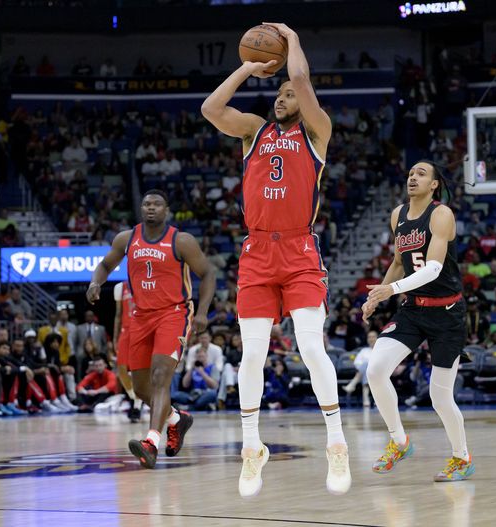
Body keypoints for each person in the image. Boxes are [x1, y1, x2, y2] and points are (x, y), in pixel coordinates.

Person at [201, 22, 349, 497]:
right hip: (258, 252)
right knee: (254, 353)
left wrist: (294, 43)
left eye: (290, 93)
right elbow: (210, 109)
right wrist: (247, 67)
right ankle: (251, 449)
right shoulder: (253, 131)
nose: (283, 97)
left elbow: (304, 83)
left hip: (301, 250)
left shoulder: (317, 133)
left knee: (309, 347)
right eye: (280, 93)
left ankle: (336, 442)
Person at [86, 188, 216, 469]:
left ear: (166, 210)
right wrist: (96, 282)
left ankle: (151, 442)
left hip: (173, 314)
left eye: (157, 204)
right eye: (146, 204)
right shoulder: (127, 238)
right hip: (141, 317)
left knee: (160, 377)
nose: (151, 208)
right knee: (142, 390)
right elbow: (105, 265)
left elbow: (208, 274)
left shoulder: (181, 241)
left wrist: (203, 312)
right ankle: (176, 420)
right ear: (141, 208)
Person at [362, 160, 474, 482]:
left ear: (434, 184)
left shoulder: (441, 214)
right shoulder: (398, 215)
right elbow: (399, 262)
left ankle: (461, 457)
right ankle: (399, 441)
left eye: (421, 174)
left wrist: (390, 290)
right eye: (411, 173)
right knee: (376, 369)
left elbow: (434, 268)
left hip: (447, 313)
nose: (413, 177)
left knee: (440, 396)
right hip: (413, 309)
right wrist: (376, 296)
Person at [114, 280, 142, 423]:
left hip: (142, 329)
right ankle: (134, 398)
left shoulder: (146, 283)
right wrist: (115, 338)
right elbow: (118, 314)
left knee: (138, 370)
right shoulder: (120, 287)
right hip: (125, 331)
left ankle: (137, 406)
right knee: (121, 369)